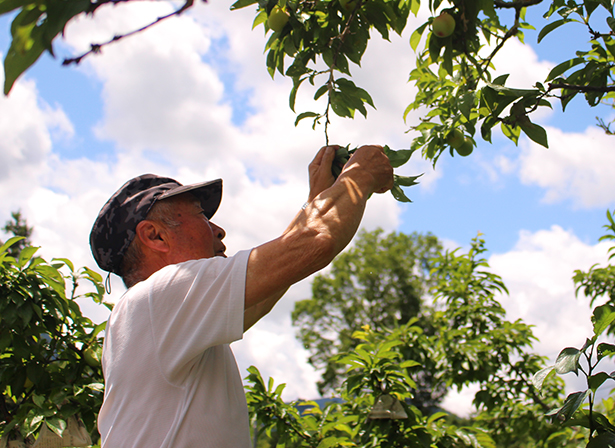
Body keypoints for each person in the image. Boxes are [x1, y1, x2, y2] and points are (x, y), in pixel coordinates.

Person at [88, 145, 393, 448]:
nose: (218, 230)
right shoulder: (161, 295)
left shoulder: (156, 318)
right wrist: (361, 174)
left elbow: (274, 277)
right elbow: (313, 242)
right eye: (200, 215)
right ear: (155, 236)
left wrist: (317, 202)